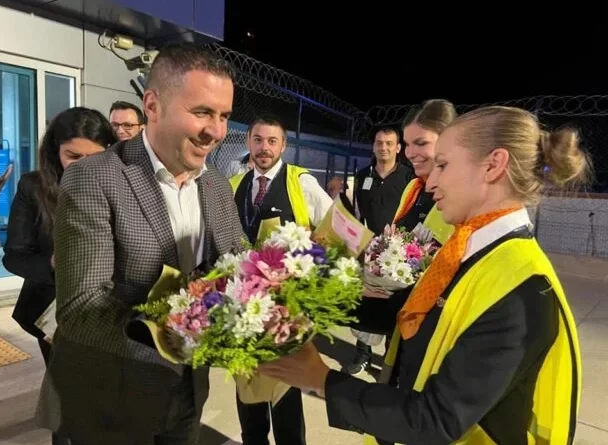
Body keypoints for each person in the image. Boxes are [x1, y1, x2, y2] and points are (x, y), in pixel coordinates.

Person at [259, 105, 588, 445]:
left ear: (493, 165)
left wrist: (322, 381)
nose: (431, 181)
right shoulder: (470, 248)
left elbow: (437, 418)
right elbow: (413, 317)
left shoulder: (522, 290)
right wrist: (312, 301)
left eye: (443, 165)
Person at [37, 43, 245, 445]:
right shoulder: (93, 178)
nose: (217, 131)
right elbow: (80, 310)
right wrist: (185, 337)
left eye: (223, 116)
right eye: (202, 112)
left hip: (188, 395)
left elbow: (236, 266)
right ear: (153, 105)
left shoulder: (218, 186)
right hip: (113, 397)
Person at [4, 106, 115, 445]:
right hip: (54, 311)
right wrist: (53, 263)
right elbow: (14, 256)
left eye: (94, 157)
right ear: (55, 152)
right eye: (73, 157)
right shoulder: (33, 187)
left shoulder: (118, 184)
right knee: (67, 396)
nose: (84, 166)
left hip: (108, 308)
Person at [229, 114, 333, 445]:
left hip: (288, 312)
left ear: (284, 145)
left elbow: (334, 232)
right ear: (248, 142)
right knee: (248, 390)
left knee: (285, 391)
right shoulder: (234, 184)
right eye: (258, 139)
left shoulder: (302, 183)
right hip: (243, 311)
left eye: (272, 141)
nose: (264, 147)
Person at [344, 100, 455, 375]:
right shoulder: (414, 188)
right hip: (394, 293)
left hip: (431, 326)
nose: (411, 152)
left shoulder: (456, 200)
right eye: (408, 144)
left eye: (421, 143)